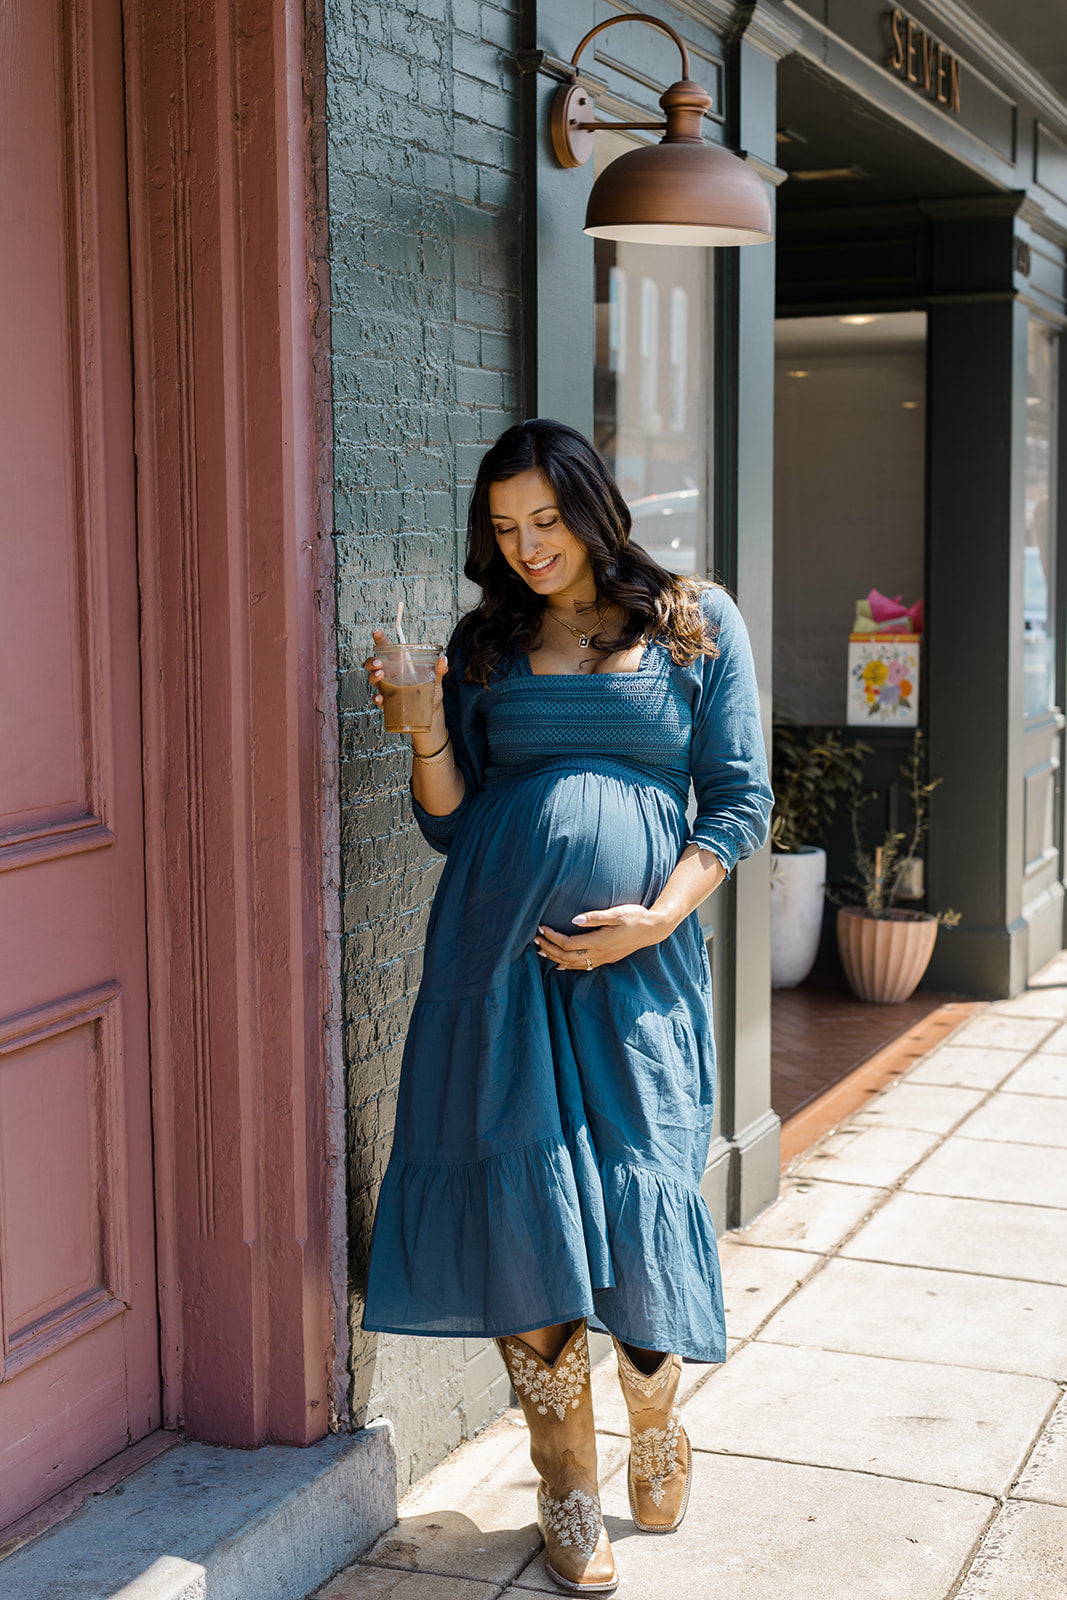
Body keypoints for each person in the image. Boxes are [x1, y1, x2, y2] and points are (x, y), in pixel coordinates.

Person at [363, 419, 772, 1595]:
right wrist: (424, 725)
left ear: (595, 508)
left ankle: (653, 1414)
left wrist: (657, 915)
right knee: (522, 1207)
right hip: (491, 962)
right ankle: (564, 1485)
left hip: (637, 968)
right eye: (503, 529)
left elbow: (735, 801)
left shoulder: (692, 620)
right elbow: (448, 816)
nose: (528, 547)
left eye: (545, 520)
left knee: (641, 1188)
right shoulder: (484, 642)